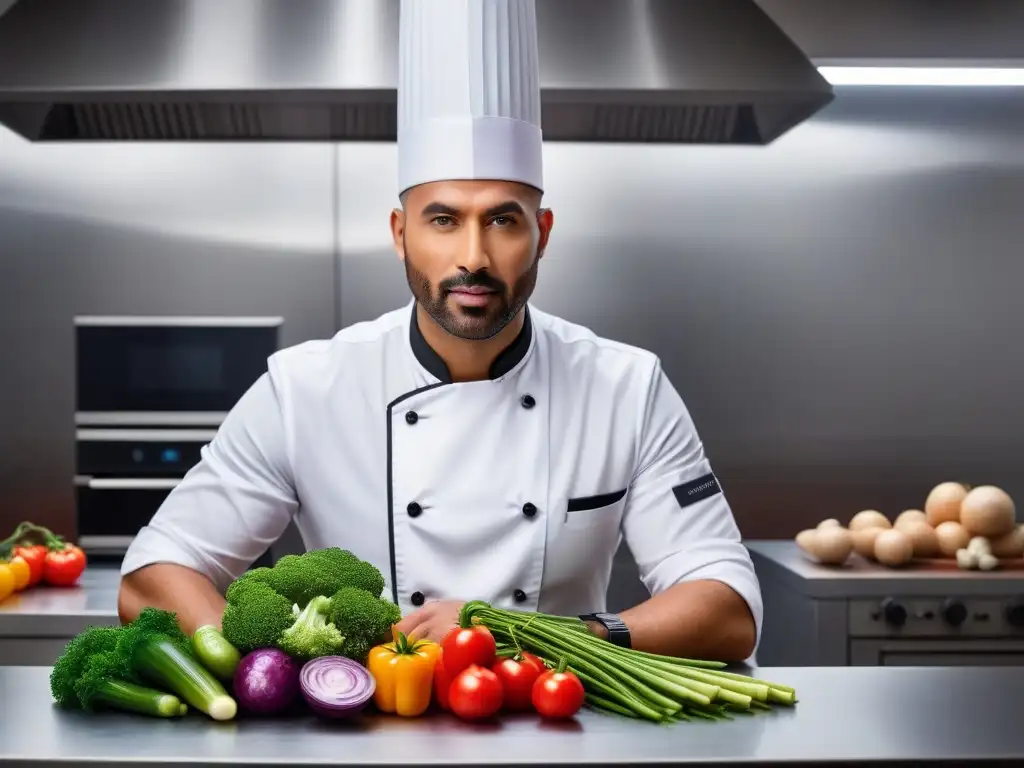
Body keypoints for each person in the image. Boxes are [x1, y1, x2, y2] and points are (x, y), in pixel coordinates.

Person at [118, 0, 762, 663]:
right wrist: (268, 668)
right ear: (401, 233)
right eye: (444, 219)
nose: (474, 258)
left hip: (561, 728)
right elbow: (153, 575)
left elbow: (728, 610)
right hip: (362, 734)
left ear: (541, 234)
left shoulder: (626, 387)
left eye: (504, 221)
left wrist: (553, 637)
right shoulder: (306, 389)